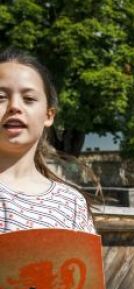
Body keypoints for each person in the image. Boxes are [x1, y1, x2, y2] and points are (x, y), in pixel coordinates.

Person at [0, 48, 94, 234]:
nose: (14, 107)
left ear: (48, 115)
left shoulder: (70, 203)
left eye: (28, 99)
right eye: (1, 97)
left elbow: (84, 263)